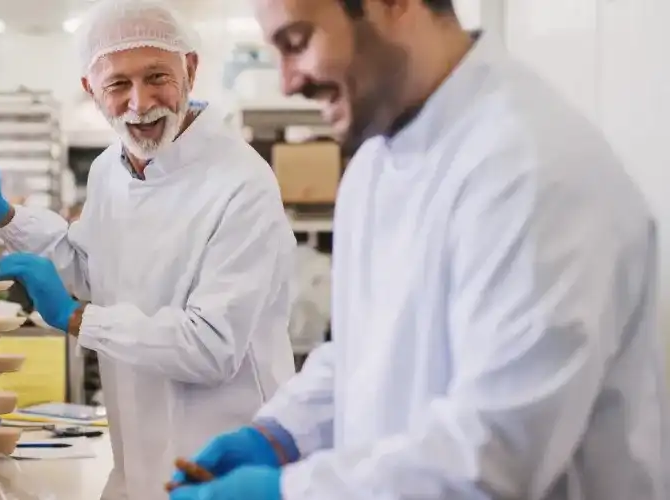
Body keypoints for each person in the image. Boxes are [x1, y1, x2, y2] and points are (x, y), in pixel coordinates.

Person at [170, 1, 669, 499]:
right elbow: (367, 352)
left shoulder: (533, 169)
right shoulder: (376, 161)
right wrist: (280, 434)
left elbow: (491, 457)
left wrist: (288, 493)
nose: (287, 82)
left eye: (297, 43)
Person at [0, 1, 297, 499]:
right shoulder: (110, 170)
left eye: (157, 76)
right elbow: (95, 271)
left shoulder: (242, 183)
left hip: (224, 471)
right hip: (136, 463)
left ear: (190, 70)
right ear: (91, 90)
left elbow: (211, 347)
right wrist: (5, 214)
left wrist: (77, 318)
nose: (141, 102)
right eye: (118, 84)